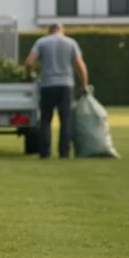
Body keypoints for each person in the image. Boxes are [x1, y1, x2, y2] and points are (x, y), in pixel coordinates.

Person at [25, 23, 88, 159]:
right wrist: (84, 85)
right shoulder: (71, 43)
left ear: (49, 31)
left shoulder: (41, 42)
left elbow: (30, 62)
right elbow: (80, 66)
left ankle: (44, 153)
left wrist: (29, 75)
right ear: (62, 30)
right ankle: (64, 153)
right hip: (66, 85)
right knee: (65, 120)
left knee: (45, 120)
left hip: (47, 85)